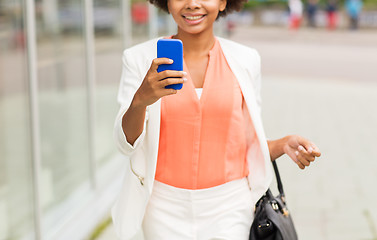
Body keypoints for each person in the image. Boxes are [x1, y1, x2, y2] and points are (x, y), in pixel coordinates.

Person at [112, 0, 322, 238]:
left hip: (230, 205)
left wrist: (282, 144)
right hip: (162, 208)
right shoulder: (138, 59)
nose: (192, 4)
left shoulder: (245, 60)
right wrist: (141, 99)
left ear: (223, 2)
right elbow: (124, 144)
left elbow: (245, 144)